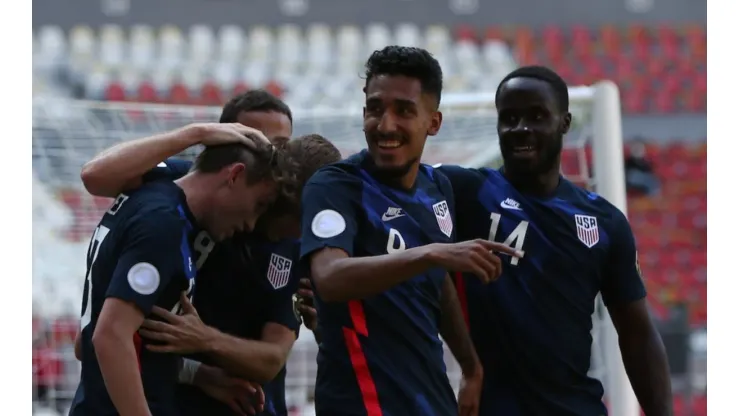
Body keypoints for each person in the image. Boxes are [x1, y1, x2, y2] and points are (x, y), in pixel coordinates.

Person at [78, 91, 333, 415]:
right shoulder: (176, 197)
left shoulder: (287, 242)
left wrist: (205, 343)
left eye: (279, 143)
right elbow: (93, 176)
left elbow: (271, 358)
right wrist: (192, 133)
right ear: (227, 145)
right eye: (254, 138)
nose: (270, 152)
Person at [437, 65, 673, 415]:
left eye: (536, 116)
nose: (521, 129)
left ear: (565, 122)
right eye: (510, 118)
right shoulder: (463, 192)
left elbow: (637, 333)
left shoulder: (604, 223)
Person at [299, 45, 520, 416]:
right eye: (374, 108)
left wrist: (471, 367)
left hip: (430, 399)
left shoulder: (438, 188)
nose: (385, 125)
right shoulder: (336, 186)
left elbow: (439, 283)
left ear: (433, 122)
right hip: (360, 402)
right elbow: (329, 277)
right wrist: (431, 253)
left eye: (403, 111)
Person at [70, 136, 283, 416]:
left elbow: (88, 343)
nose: (252, 224)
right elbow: (110, 336)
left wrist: (199, 375)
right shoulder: (163, 225)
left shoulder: (153, 194)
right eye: (259, 204)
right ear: (235, 175)